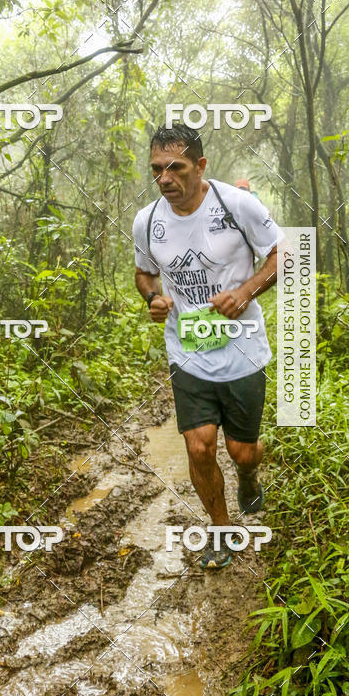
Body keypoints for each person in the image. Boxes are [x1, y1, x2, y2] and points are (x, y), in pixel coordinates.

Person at [133, 124, 282, 568]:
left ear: (200, 166)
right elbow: (144, 272)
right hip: (188, 351)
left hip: (242, 349)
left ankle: (248, 475)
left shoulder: (237, 205)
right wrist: (153, 298)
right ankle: (220, 531)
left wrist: (245, 292)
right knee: (198, 446)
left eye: (175, 168)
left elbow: (282, 254)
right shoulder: (148, 220)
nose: (165, 179)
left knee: (242, 449)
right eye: (157, 169)